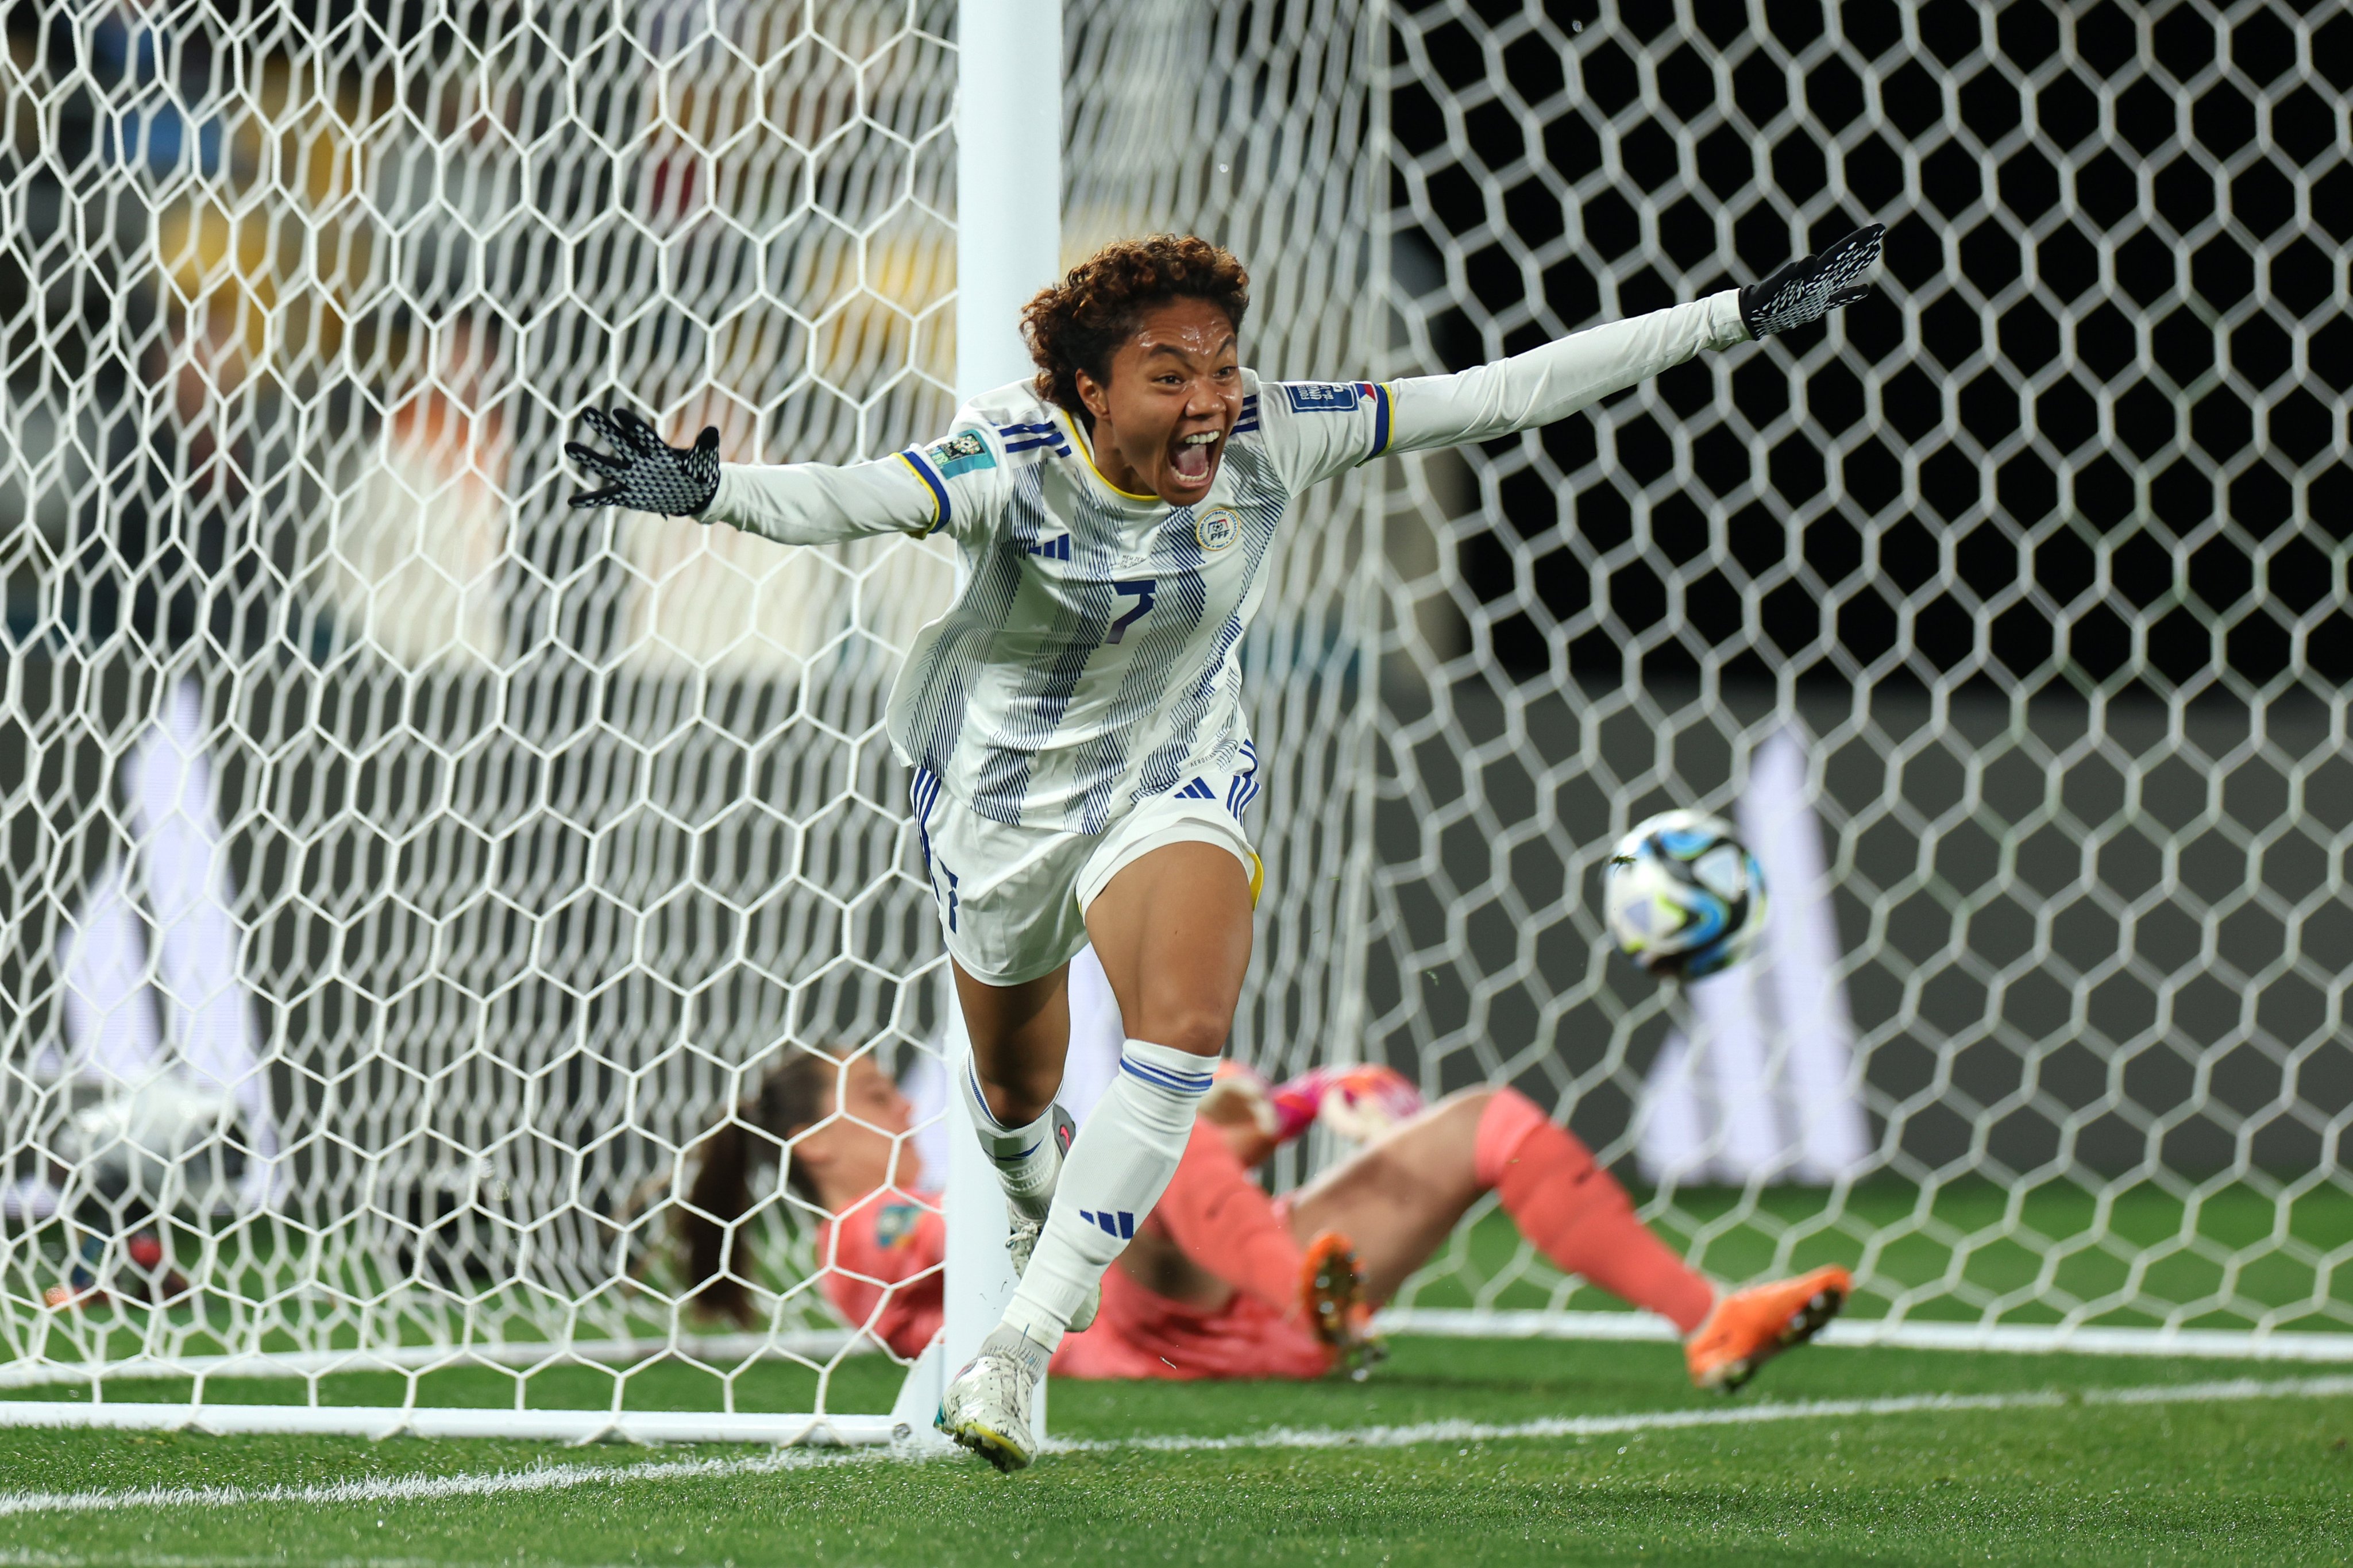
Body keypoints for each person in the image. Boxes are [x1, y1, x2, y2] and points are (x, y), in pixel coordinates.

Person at [570, 225, 1884, 1469]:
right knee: (1014, 1099)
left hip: (1173, 772)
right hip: (1000, 806)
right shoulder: (1006, 461)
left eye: (1221, 366)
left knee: (1184, 1032)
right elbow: (848, 497)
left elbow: (1494, 394)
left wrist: (1732, 316)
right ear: (1088, 391)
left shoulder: (1271, 433)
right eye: (1168, 375)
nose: (1208, 402)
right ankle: (1033, 1203)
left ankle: (1016, 1352)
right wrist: (710, 489)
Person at [670, 1034, 1850, 1397]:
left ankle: (1709, 1317)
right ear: (818, 1143)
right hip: (1151, 1333)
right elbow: (1043, 1216)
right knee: (1156, 1141)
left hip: (1240, 1291)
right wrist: (1242, 1114)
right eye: (875, 1094)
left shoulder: (934, 1187)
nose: (902, 1102)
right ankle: (1307, 1289)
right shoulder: (859, 1236)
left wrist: (1297, 1103)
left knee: (1485, 1122)